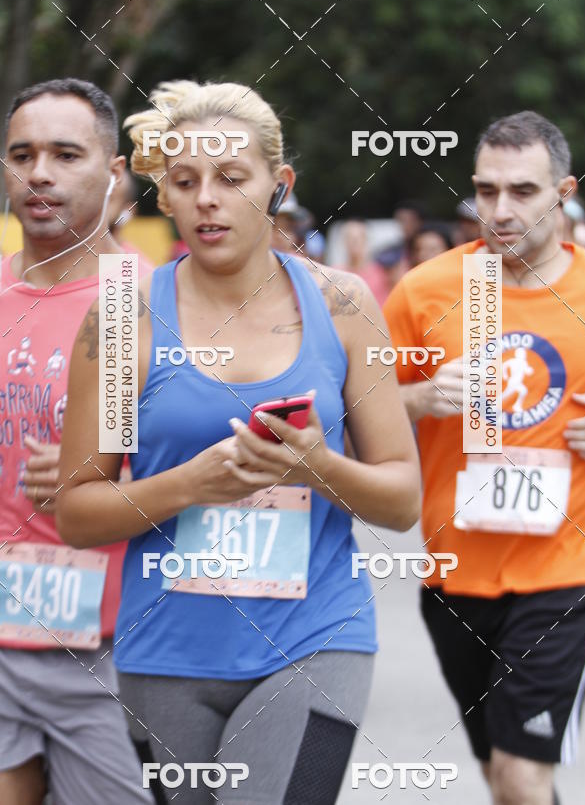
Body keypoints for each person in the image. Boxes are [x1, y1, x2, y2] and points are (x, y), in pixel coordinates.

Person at [55, 79, 422, 805]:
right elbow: (77, 511)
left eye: (231, 178)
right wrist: (192, 483)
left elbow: (402, 499)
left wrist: (315, 466)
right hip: (165, 653)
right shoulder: (122, 320)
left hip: (316, 638)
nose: (207, 200)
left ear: (278, 185)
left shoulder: (342, 303)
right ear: (164, 195)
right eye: (185, 182)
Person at [384, 110, 585, 805]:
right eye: (486, 191)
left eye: (523, 192)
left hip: (563, 573)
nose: (500, 211)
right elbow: (357, 410)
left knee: (520, 776)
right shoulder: (428, 291)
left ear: (563, 191)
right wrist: (418, 401)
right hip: (454, 579)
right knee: (500, 778)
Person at [0, 79, 153, 804]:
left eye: (65, 154)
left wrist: (93, 475)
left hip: (112, 649)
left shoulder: (141, 302)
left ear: (115, 171)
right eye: (22, 155)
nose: (39, 174)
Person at [336, 219, 389, 306]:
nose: (354, 242)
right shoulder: (335, 273)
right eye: (350, 237)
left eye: (358, 237)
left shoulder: (382, 273)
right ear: (344, 241)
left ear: (365, 240)